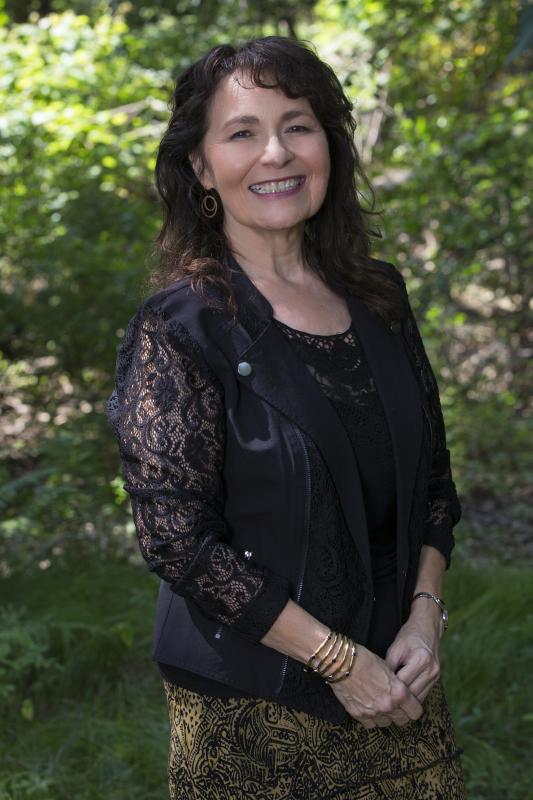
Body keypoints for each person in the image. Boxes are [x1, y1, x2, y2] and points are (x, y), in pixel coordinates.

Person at [107, 35, 466, 800]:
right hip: (254, 712)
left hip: (402, 689)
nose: (276, 153)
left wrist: (425, 618)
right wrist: (339, 661)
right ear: (201, 167)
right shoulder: (179, 329)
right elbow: (179, 544)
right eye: (242, 133)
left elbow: (434, 484)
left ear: (327, 146)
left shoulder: (379, 298)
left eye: (297, 126)